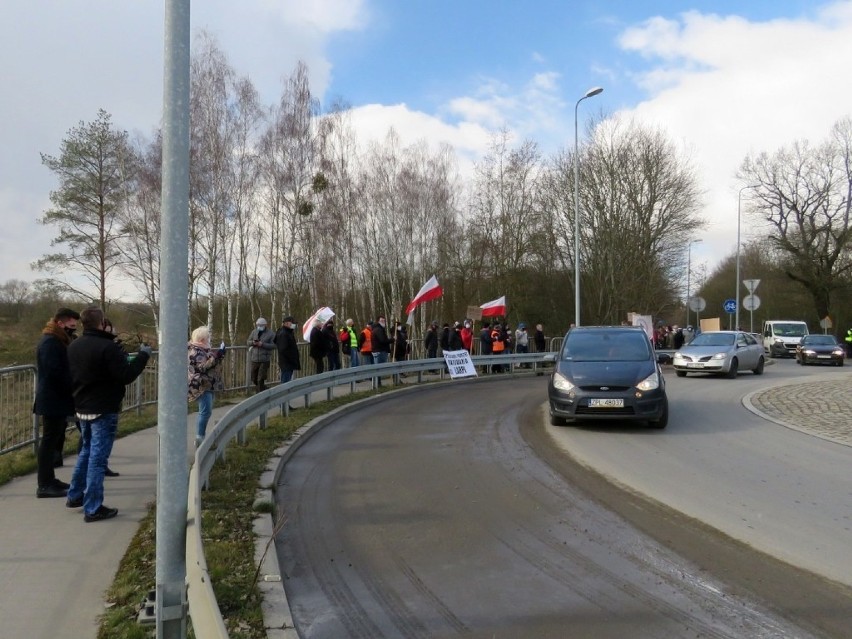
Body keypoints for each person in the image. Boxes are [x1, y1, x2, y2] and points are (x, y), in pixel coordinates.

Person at [65, 307, 151, 522]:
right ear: (102, 323)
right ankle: (93, 508)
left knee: (86, 451)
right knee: (97, 458)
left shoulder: (74, 346)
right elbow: (126, 375)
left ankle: (75, 495)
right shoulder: (107, 348)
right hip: (103, 409)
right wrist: (143, 356)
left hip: (82, 406)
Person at [33, 307, 79, 498]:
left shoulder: (57, 340)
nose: (73, 328)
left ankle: (49, 479)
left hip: (56, 398)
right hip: (52, 399)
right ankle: (44, 484)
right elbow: (55, 372)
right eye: (71, 324)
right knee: (49, 441)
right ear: (60, 323)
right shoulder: (51, 342)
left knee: (53, 440)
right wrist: (72, 384)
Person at [187, 326, 225, 448]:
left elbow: (211, 362)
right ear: (202, 339)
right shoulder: (195, 351)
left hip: (207, 384)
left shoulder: (203, 349)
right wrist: (217, 355)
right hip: (200, 385)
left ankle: (200, 437)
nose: (209, 340)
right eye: (207, 337)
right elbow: (202, 367)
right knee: (205, 411)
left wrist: (220, 355)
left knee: (206, 411)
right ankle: (200, 438)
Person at [247, 317, 275, 393]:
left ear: (265, 325)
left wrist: (262, 344)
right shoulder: (254, 332)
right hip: (254, 359)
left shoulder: (271, 334)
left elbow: (274, 345)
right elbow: (248, 341)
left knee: (260, 379)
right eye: (258, 325)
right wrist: (253, 343)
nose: (259, 326)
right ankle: (264, 390)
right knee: (254, 378)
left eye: (261, 325)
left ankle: (259, 394)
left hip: (264, 359)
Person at [274, 316, 301, 383]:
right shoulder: (283, 333)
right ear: (286, 323)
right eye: (292, 323)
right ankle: (283, 393)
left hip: (288, 361)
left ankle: (284, 392)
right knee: (285, 380)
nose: (294, 325)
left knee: (287, 379)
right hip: (286, 361)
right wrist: (291, 357)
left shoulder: (288, 332)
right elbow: (283, 349)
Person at [371, 316, 391, 386]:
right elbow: (382, 340)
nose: (383, 322)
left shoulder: (378, 329)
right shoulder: (378, 330)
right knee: (378, 368)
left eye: (384, 321)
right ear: (378, 321)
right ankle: (377, 383)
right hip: (379, 351)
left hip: (379, 350)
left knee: (379, 368)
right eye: (382, 321)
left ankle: (378, 383)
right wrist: (391, 340)